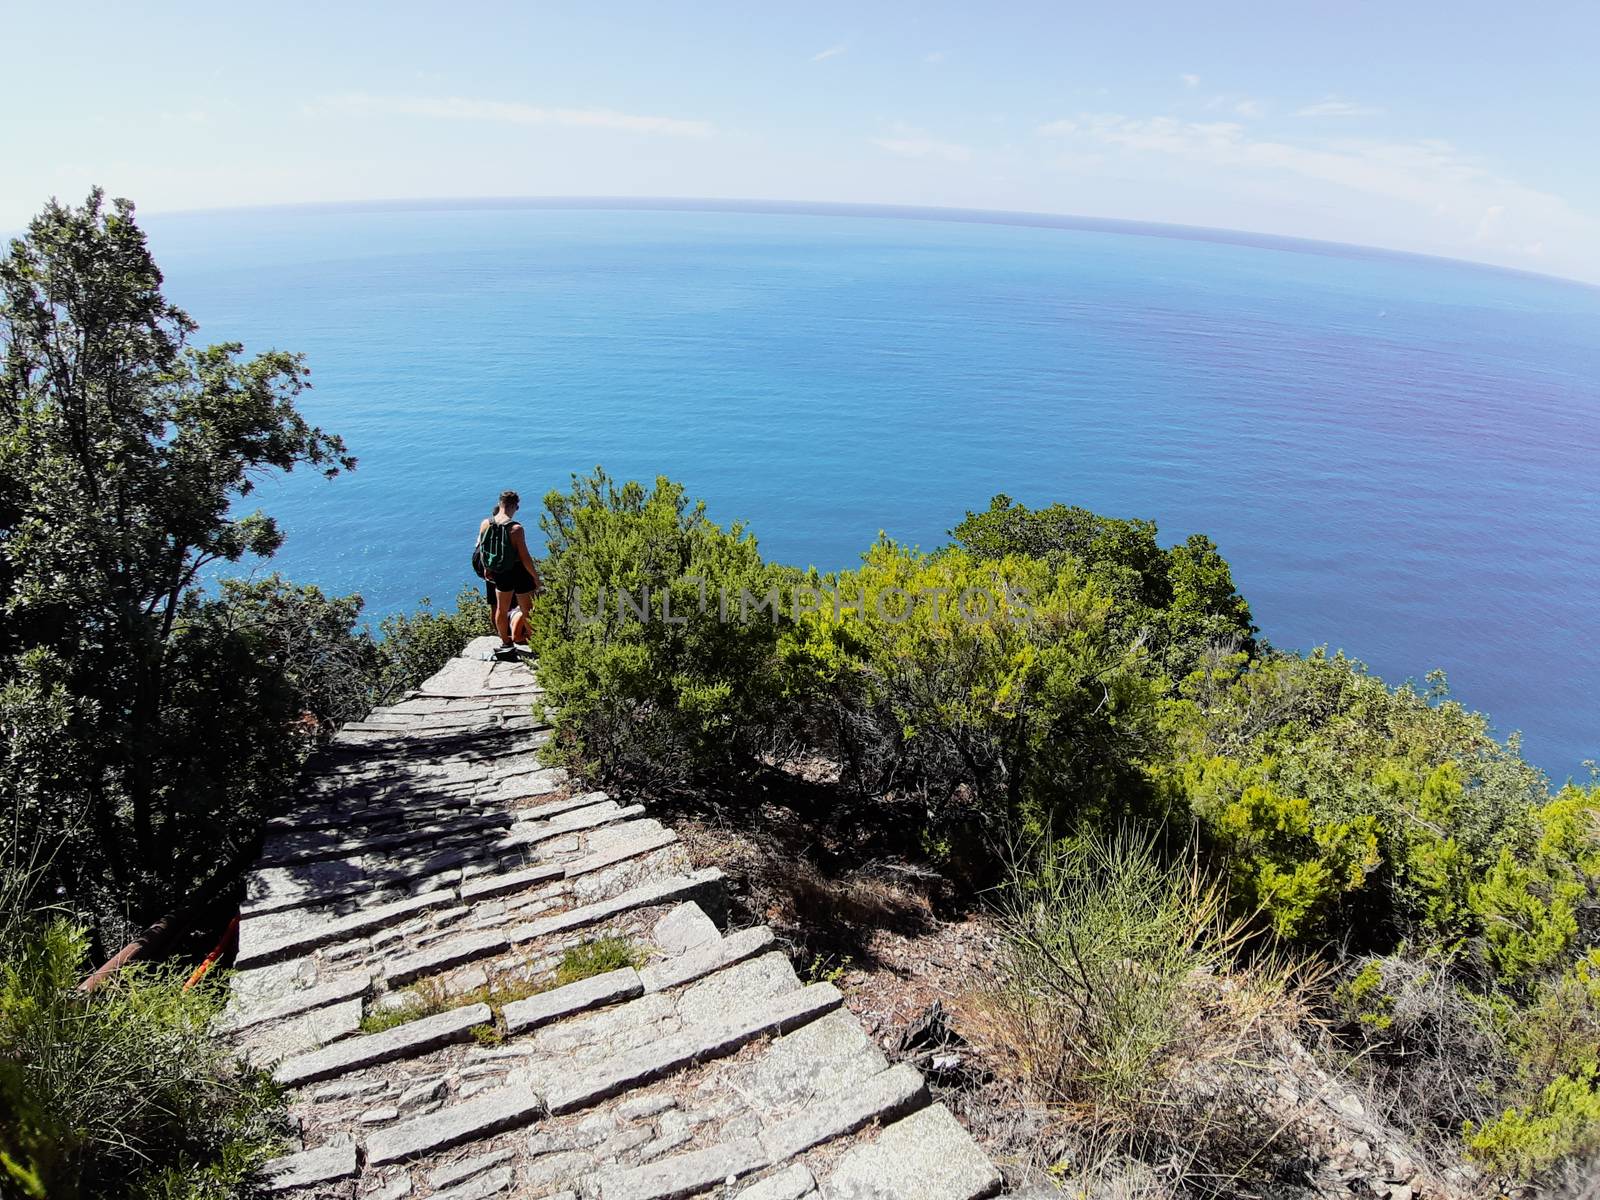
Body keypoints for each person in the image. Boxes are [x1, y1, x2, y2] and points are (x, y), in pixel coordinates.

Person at [476, 490, 542, 658]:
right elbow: (524, 556)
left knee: (501, 607)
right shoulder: (516, 529)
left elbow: (483, 549)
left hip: (500, 572)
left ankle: (506, 643)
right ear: (514, 506)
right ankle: (537, 644)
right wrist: (535, 576)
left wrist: (487, 568)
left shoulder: (486, 523)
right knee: (528, 609)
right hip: (519, 572)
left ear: (500, 504)